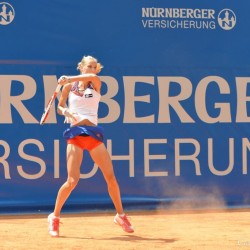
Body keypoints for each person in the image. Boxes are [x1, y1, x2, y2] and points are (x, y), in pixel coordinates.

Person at [47, 55, 134, 237]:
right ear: (81, 66)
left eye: (95, 67)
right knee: (72, 180)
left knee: (111, 178)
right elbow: (60, 106)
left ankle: (121, 215)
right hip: (76, 134)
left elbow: (91, 78)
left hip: (93, 134)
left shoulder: (95, 83)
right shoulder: (69, 88)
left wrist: (68, 78)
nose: (93, 69)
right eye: (89, 66)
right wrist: (66, 112)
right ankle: (54, 218)